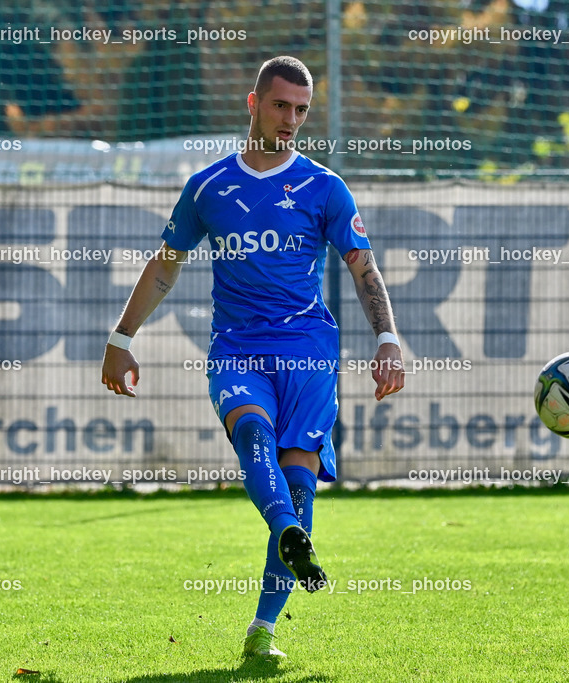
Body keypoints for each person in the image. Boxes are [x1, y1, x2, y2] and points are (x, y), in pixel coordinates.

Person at [101, 55, 404, 659]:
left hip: (309, 352)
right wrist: (121, 338)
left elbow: (361, 267)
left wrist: (387, 338)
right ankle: (288, 532)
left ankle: (263, 629)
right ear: (253, 103)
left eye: (301, 110)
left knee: (299, 485)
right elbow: (166, 265)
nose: (291, 119)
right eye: (280, 105)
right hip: (238, 348)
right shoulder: (209, 187)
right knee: (254, 439)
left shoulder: (325, 187)